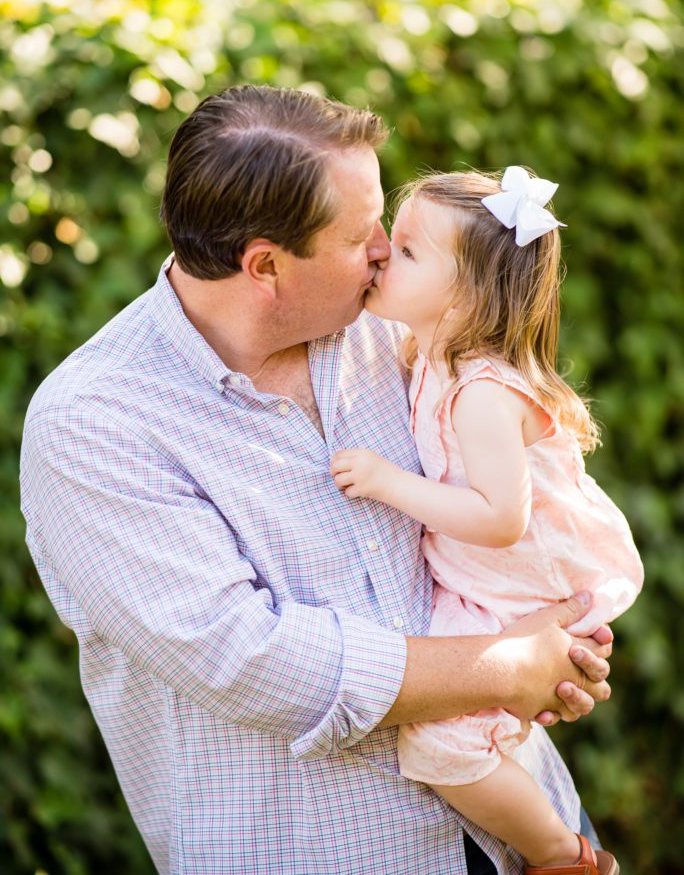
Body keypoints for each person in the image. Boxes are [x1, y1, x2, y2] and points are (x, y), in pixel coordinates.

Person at [21, 86, 612, 875]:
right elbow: (249, 659)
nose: (382, 247)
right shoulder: (94, 422)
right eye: (360, 232)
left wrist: (556, 626)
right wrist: (505, 664)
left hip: (518, 830)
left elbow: (514, 479)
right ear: (265, 265)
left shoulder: (389, 325)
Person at [331, 168, 643, 875]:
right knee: (463, 730)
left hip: (519, 581)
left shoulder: (480, 393)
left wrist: (388, 484)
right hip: (489, 581)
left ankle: (562, 857)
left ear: (466, 295)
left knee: (442, 748)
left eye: (408, 251)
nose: (382, 252)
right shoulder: (428, 353)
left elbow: (503, 519)